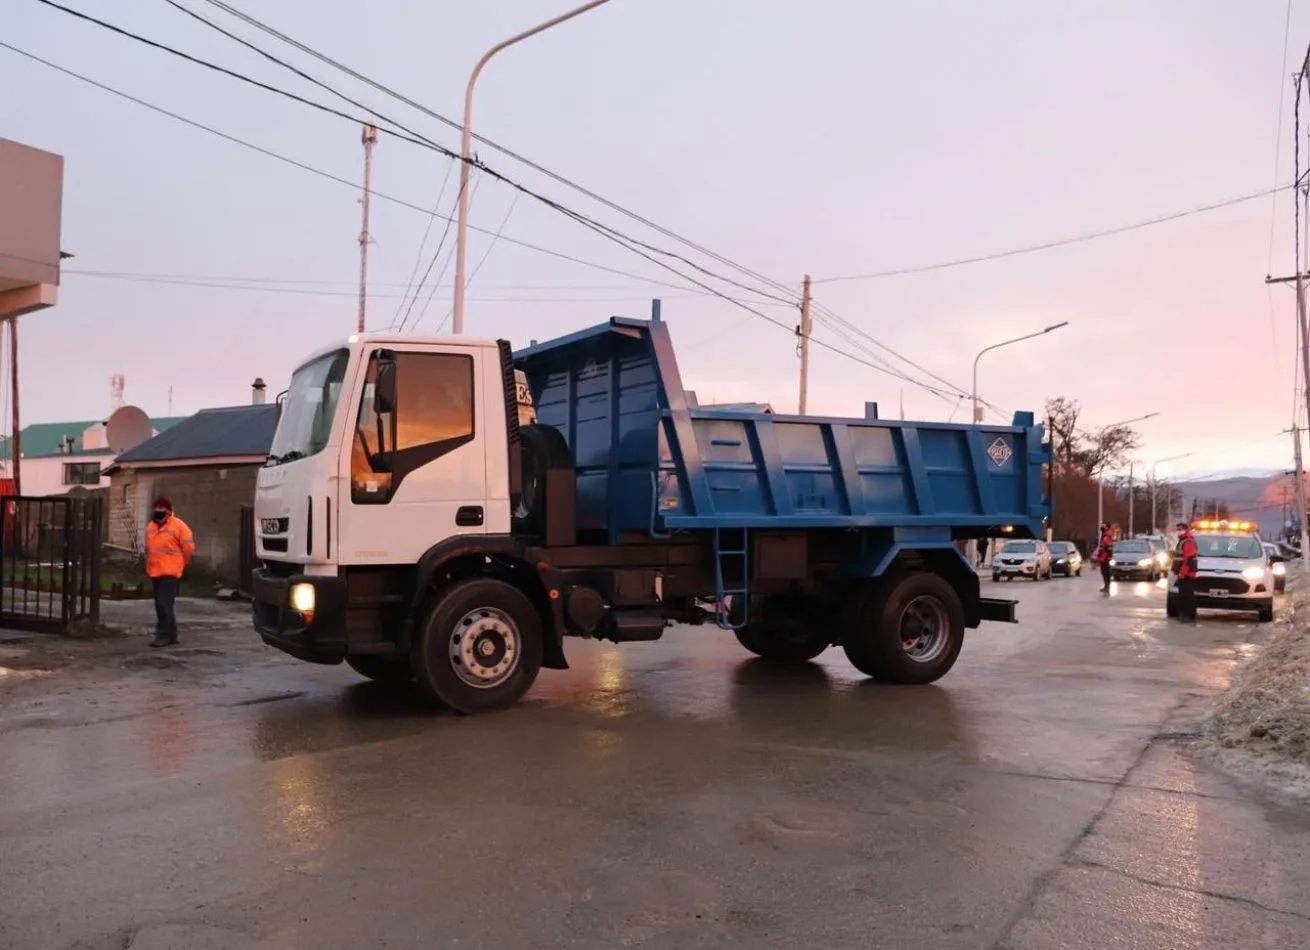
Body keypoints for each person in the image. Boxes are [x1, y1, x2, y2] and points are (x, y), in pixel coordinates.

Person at [145, 496, 195, 647]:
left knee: (163, 605)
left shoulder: (179, 526)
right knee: (163, 604)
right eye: (156, 508)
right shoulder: (151, 526)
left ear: (168, 510)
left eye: (161, 509)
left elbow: (189, 549)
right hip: (155, 571)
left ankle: (164, 635)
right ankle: (171, 635)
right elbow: (150, 549)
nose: (158, 511)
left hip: (171, 571)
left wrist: (181, 565)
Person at [1173, 520, 1198, 623]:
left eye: (1180, 529)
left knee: (1187, 595)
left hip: (1187, 574)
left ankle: (1189, 615)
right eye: (1178, 529)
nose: (1179, 531)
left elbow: (1188, 559)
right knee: (1183, 594)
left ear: (1186, 530)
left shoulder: (1188, 541)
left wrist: (1182, 573)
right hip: (1183, 573)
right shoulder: (1183, 540)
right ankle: (1184, 614)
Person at [1093, 523, 1114, 593]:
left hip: (1105, 558)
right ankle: (1106, 586)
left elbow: (1106, 549)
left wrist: (1102, 557)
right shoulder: (1105, 535)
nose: (1101, 527)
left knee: (1105, 572)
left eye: (1103, 526)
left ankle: (1107, 586)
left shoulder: (1106, 536)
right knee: (1104, 572)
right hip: (1105, 557)